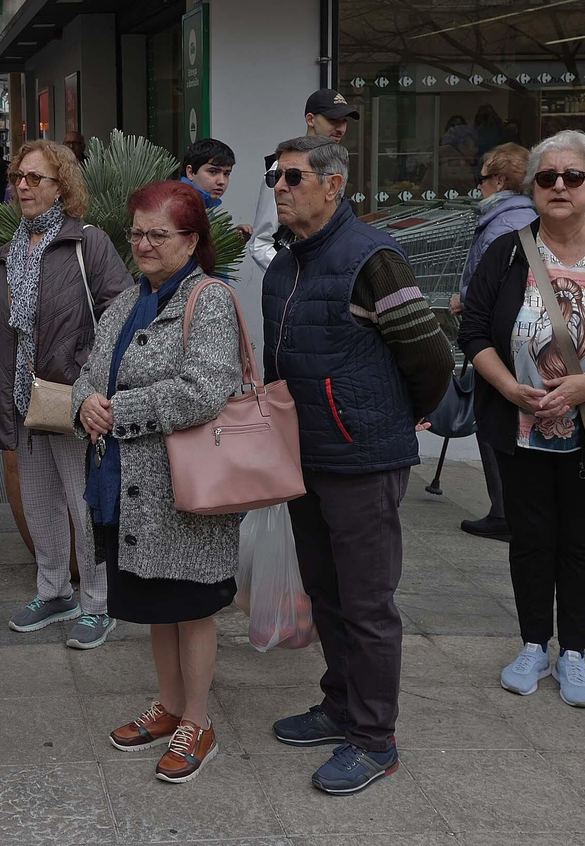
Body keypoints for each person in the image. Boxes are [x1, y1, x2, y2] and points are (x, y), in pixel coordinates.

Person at [261, 136, 454, 794]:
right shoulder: (282, 268)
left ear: (333, 185)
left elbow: (430, 360)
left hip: (363, 460)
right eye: (274, 176)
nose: (279, 187)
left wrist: (390, 420)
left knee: (368, 604)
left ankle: (375, 739)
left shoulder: (373, 257)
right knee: (328, 595)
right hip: (304, 460)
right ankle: (340, 706)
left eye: (292, 176)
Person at [458, 131, 585, 708]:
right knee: (528, 539)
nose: (558, 187)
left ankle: (573, 650)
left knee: (581, 541)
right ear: (532, 188)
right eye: (546, 178)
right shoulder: (508, 252)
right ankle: (531, 643)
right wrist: (508, 387)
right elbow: (473, 329)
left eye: (572, 177)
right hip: (517, 424)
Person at [72, 181, 243, 783]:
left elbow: (207, 388)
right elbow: (89, 372)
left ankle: (198, 721)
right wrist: (86, 403)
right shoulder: (126, 300)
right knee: (156, 604)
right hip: (126, 485)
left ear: (192, 240)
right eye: (136, 233)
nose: (142, 244)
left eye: (157, 234)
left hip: (184, 489)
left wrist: (119, 408)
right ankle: (169, 706)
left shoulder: (209, 299)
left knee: (191, 607)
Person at [0, 139, 132, 648]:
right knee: (40, 502)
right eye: (18, 176)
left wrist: (90, 380)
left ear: (61, 186)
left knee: (85, 505)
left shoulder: (87, 244)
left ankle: (98, 603)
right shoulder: (3, 256)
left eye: (35, 178)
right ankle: (54, 590)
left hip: (72, 399)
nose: (22, 185)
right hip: (21, 401)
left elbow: (122, 314)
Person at [450, 142, 537, 543]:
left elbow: (493, 286)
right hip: (516, 338)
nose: (478, 188)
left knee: (493, 421)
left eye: (482, 179)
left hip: (495, 341)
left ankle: (505, 512)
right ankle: (513, 509)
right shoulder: (525, 216)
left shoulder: (503, 223)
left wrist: (465, 301)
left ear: (500, 180)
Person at [248, 89, 358, 270]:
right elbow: (261, 242)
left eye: (344, 121)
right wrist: (295, 275)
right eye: (333, 120)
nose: (340, 128)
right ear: (310, 119)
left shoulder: (338, 164)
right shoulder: (282, 168)